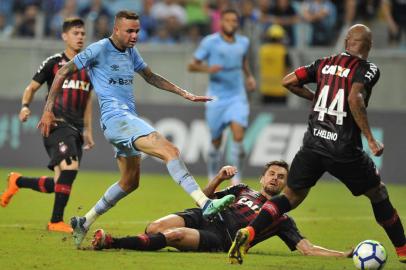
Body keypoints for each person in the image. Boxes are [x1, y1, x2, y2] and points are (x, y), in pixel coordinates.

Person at [37, 10, 235, 248]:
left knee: (130, 181)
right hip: (116, 119)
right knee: (170, 150)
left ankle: (84, 221)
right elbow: (62, 72)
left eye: (137, 31)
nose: (134, 36)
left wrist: (184, 93)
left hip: (124, 120)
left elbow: (150, 77)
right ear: (116, 29)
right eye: (129, 31)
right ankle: (205, 203)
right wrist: (48, 109)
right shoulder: (98, 49)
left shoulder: (131, 52)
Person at [228, 24, 406, 264]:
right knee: (378, 193)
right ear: (370, 46)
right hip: (343, 149)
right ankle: (404, 251)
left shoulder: (322, 63)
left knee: (290, 196)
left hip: (312, 144)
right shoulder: (368, 68)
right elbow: (355, 97)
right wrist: (370, 139)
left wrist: (316, 97)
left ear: (346, 42)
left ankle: (249, 232)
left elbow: (288, 81)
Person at [91, 162, 352, 259]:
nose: (275, 179)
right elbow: (202, 200)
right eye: (271, 174)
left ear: (286, 184)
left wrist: (342, 254)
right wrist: (217, 178)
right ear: (262, 178)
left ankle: (112, 242)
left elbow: (307, 248)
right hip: (205, 215)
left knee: (174, 236)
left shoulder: (281, 218)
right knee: (155, 227)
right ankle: (143, 240)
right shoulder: (241, 190)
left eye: (281, 177)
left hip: (221, 238)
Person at [0, 18, 94, 233]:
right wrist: (25, 106)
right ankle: (55, 221)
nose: (80, 37)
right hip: (55, 124)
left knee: (60, 183)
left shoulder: (88, 66)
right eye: (75, 33)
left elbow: (88, 99)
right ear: (65, 36)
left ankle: (18, 181)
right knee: (70, 166)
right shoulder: (54, 62)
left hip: (77, 130)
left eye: (82, 33)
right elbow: (31, 88)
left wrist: (88, 130)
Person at [188, 9, 256, 185]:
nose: (231, 24)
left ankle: (237, 178)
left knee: (238, 137)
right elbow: (192, 66)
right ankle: (212, 175)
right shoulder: (210, 42)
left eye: (234, 21)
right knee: (216, 141)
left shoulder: (243, 42)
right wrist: (208, 69)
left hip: (237, 96)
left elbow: (243, 61)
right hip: (216, 98)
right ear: (221, 22)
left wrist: (249, 76)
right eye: (228, 20)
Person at [259, 24, 292, 104]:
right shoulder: (284, 52)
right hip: (280, 91)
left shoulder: (262, 50)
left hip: (265, 89)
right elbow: (287, 70)